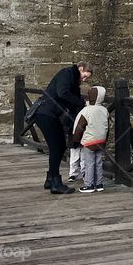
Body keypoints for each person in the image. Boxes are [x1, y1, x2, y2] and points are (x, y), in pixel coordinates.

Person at [34, 61, 92, 194]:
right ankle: (55, 182)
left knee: (60, 146)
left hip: (50, 114)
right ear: (80, 68)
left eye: (86, 78)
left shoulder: (72, 78)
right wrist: (81, 103)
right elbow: (62, 93)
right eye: (84, 76)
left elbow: (70, 96)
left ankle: (50, 178)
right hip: (46, 114)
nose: (84, 79)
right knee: (57, 147)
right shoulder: (66, 74)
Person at [72, 86, 109, 192]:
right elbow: (107, 126)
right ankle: (99, 184)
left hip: (89, 141)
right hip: (101, 141)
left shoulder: (86, 111)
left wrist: (75, 140)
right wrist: (105, 139)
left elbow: (79, 127)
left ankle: (89, 185)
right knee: (98, 162)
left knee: (89, 163)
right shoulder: (104, 110)